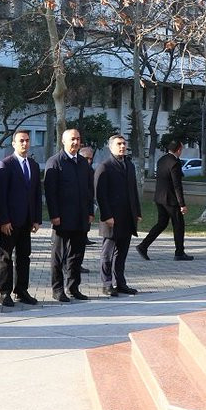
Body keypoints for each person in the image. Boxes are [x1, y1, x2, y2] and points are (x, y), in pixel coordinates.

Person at [44, 127, 94, 302]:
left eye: (78, 139)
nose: (75, 142)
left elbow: (89, 190)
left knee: (77, 255)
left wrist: (90, 211)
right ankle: (57, 289)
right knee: (59, 255)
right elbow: (50, 192)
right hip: (62, 218)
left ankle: (73, 287)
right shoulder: (55, 162)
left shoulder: (83, 163)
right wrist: (54, 215)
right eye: (72, 139)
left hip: (81, 217)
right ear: (63, 141)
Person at [0, 129, 42, 307]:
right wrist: (4, 220)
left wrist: (36, 218)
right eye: (21, 140)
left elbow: (36, 193)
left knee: (24, 256)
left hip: (27, 220)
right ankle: (4, 292)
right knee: (6, 257)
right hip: (10, 221)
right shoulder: (5, 164)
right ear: (13, 143)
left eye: (27, 140)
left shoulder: (33, 165)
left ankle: (21, 290)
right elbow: (0, 195)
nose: (25, 143)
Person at [95, 134, 141, 297]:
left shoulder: (129, 165)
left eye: (124, 144)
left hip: (127, 217)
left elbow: (133, 191)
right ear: (111, 147)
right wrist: (107, 216)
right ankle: (107, 283)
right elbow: (100, 195)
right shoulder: (105, 166)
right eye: (118, 144)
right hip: (112, 218)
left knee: (121, 254)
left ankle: (120, 283)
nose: (122, 147)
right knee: (107, 254)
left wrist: (137, 212)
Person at [137, 139, 192, 261]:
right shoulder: (175, 163)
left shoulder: (162, 159)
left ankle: (143, 246)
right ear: (179, 150)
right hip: (171, 199)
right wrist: (182, 204)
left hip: (159, 197)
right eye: (181, 149)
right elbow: (177, 185)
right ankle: (179, 252)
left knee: (161, 223)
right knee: (178, 225)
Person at [80, 145, 98, 246]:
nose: (89, 161)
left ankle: (85, 236)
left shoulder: (90, 170)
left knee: (88, 219)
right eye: (86, 158)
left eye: (91, 159)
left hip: (89, 199)